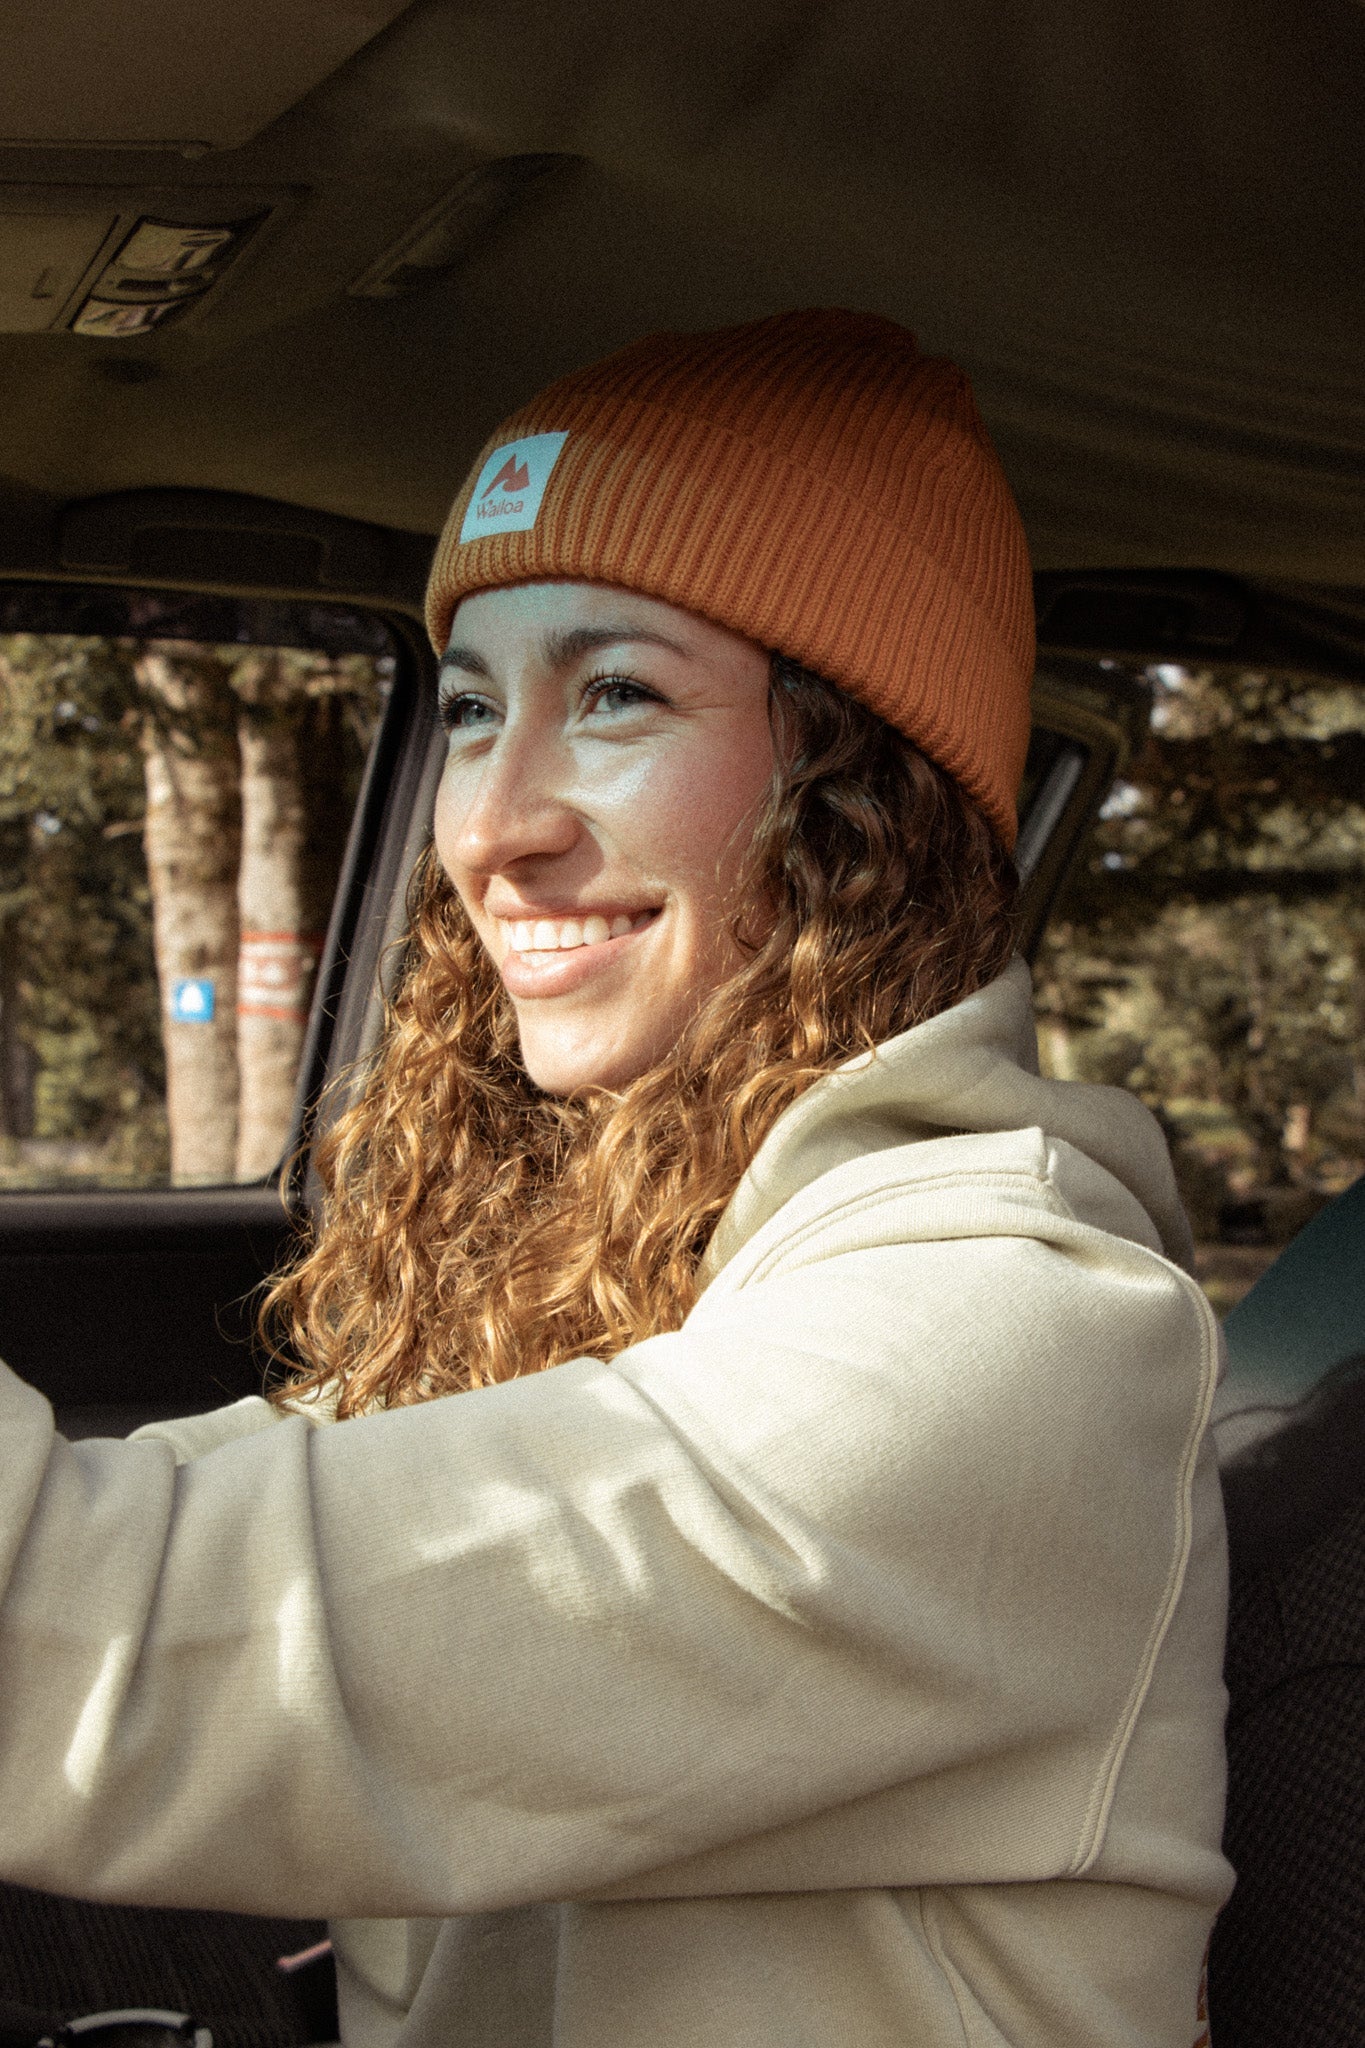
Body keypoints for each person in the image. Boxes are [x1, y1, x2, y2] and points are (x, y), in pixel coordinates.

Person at [0, 311, 1231, 2048]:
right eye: (470, 706)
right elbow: (191, 1527)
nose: (487, 823)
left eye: (617, 695)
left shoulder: (1010, 1335)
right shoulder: (624, 1269)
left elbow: (105, 1638)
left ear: (859, 788)